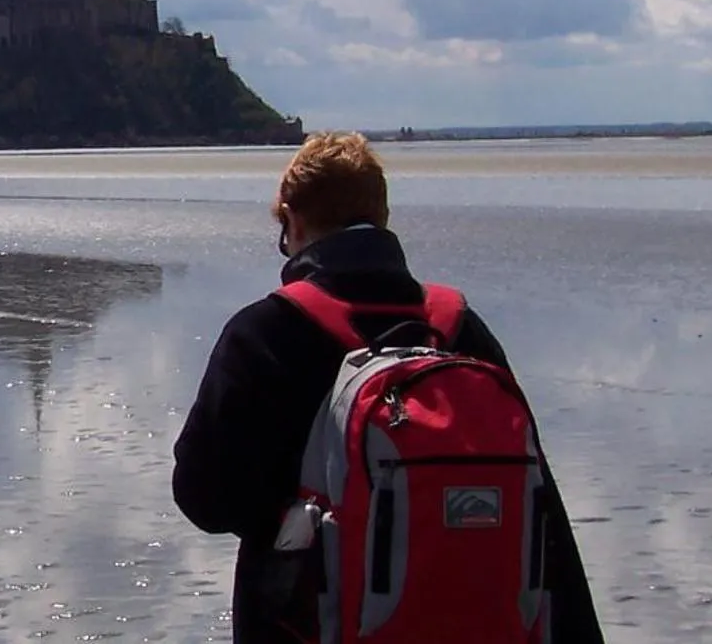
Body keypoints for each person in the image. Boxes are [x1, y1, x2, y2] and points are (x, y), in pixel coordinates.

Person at [171, 132, 602, 644]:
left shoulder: (265, 333)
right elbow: (542, 508)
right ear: (382, 216)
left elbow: (204, 498)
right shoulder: (460, 329)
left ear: (293, 219)